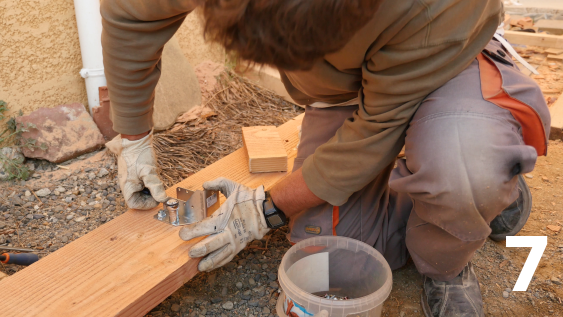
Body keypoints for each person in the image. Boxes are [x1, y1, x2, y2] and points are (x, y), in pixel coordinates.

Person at [101, 0, 551, 316]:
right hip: (344, 88)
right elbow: (128, 15)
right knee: (339, 255)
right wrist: (134, 138)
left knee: (464, 168)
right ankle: (448, 186)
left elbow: (374, 131)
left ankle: (474, 194)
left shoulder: (435, 7)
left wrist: (264, 209)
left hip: (443, 57)